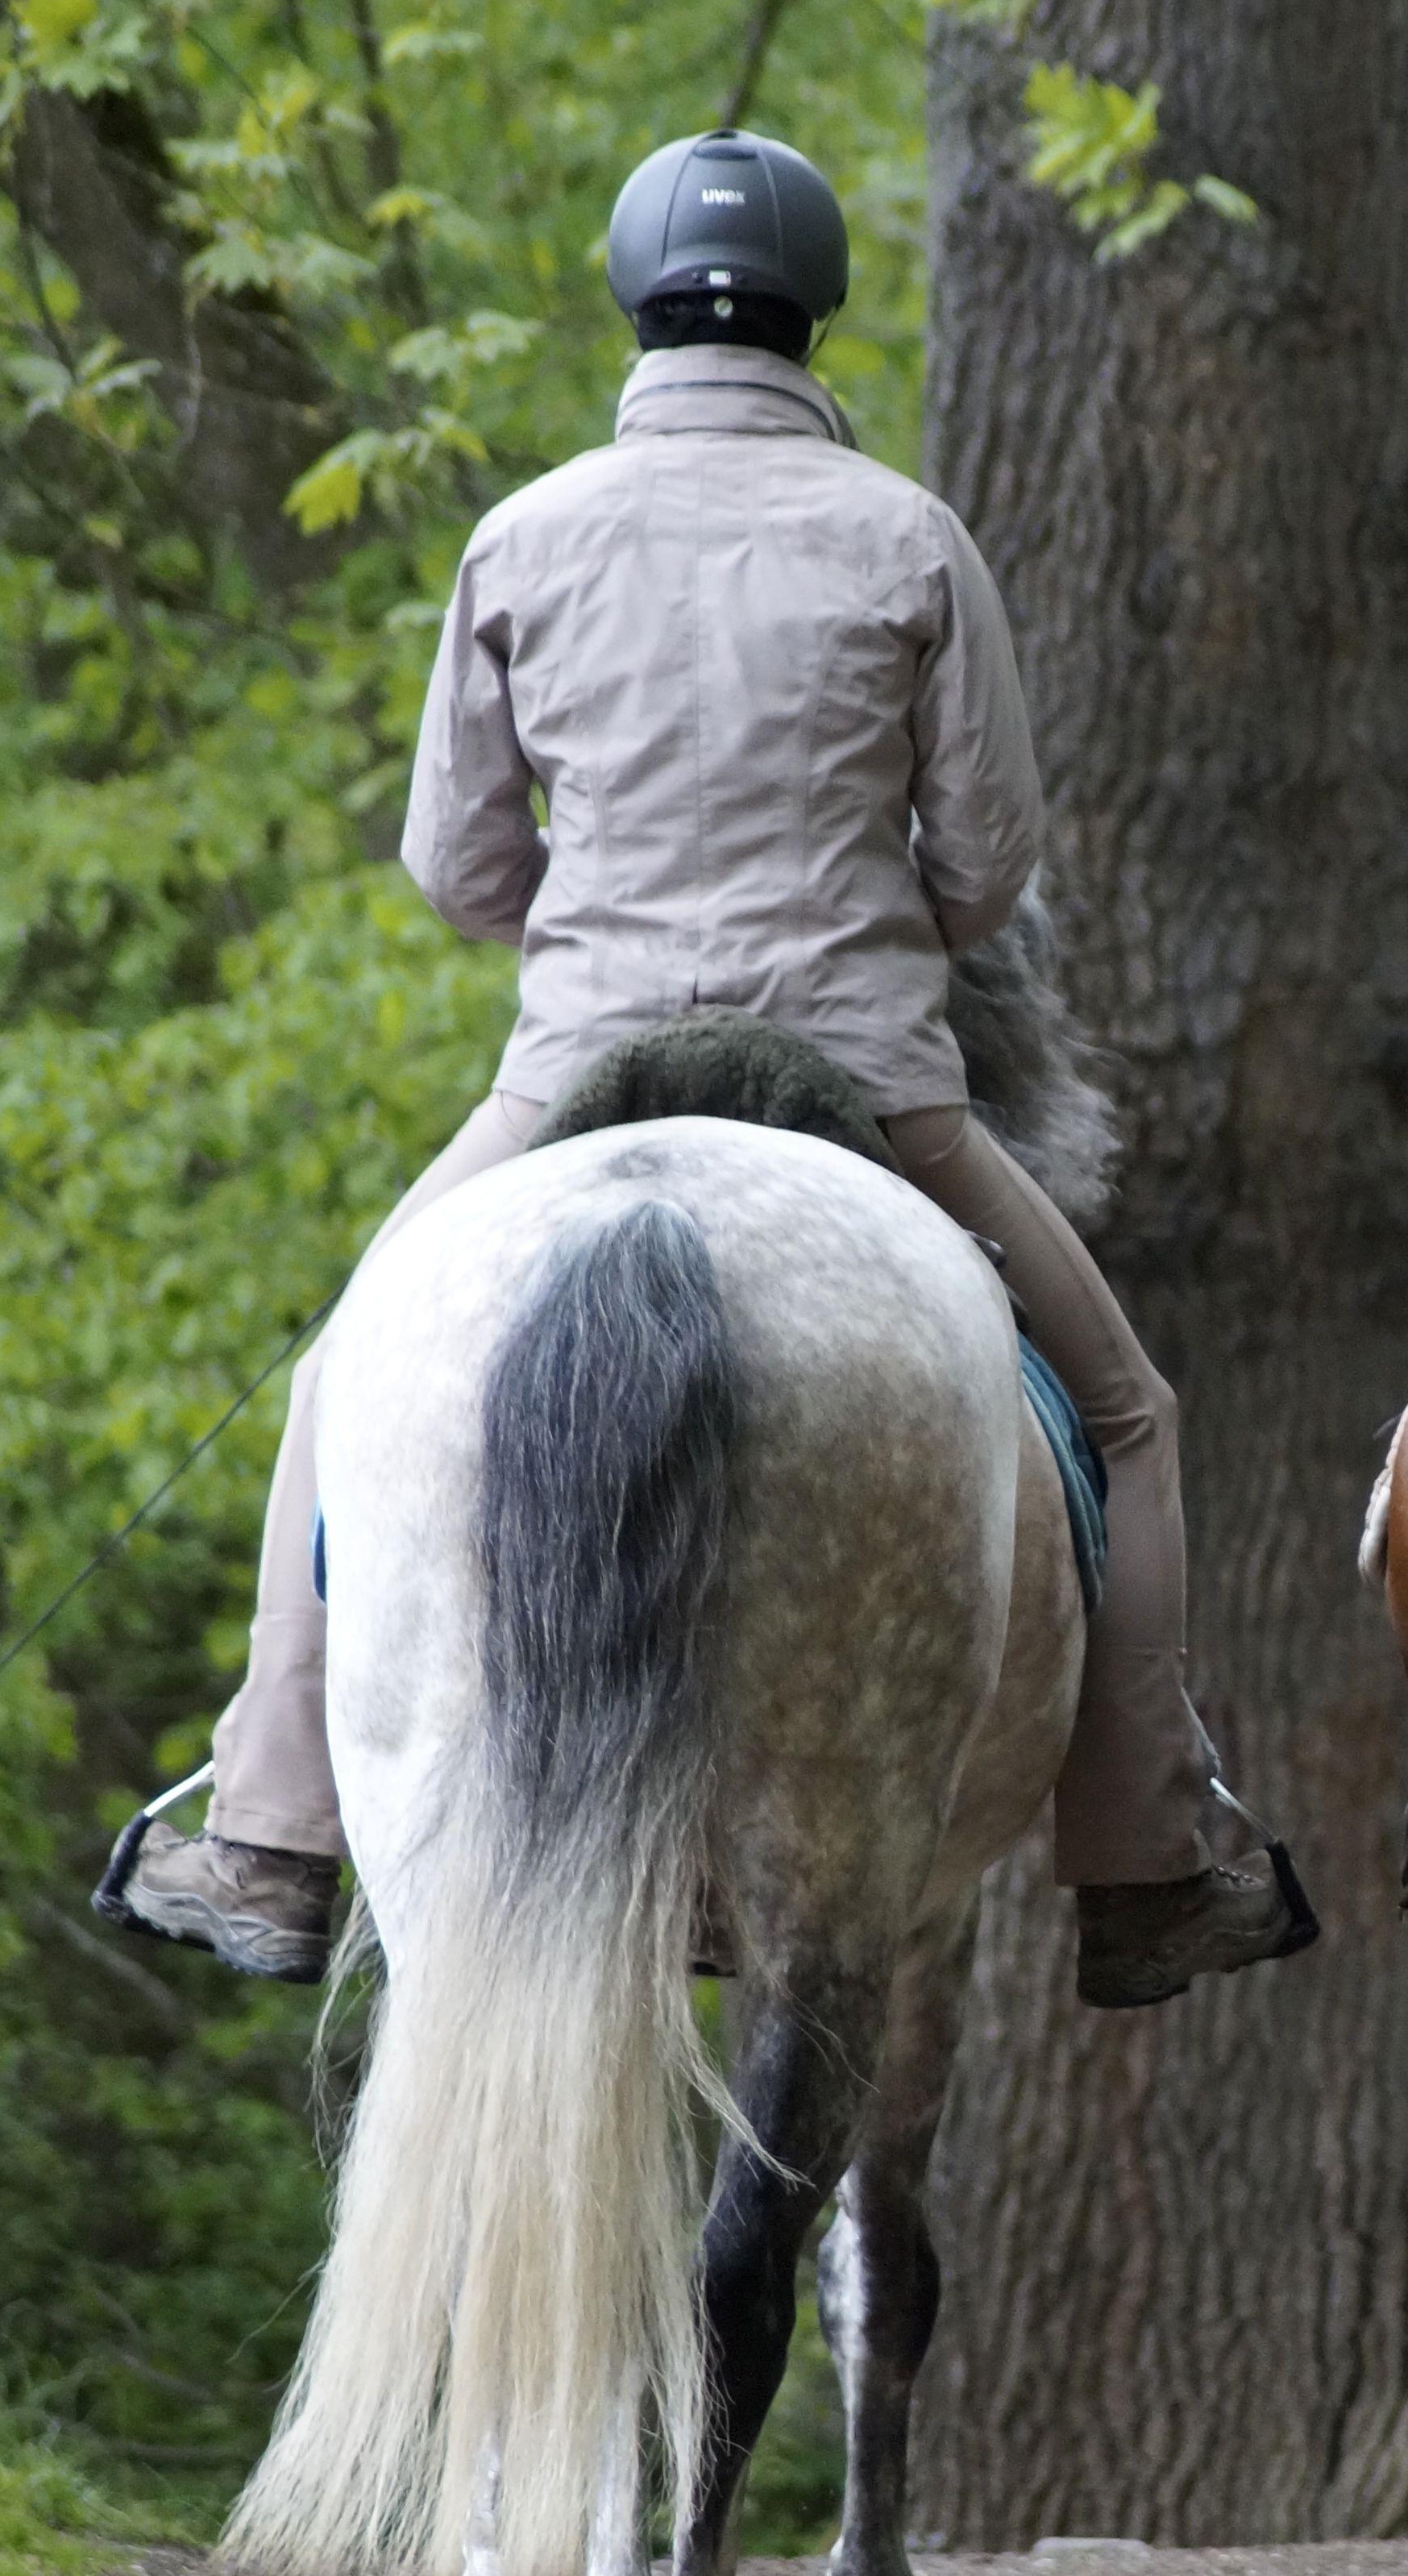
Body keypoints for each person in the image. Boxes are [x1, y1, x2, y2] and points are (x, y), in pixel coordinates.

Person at [99, 128, 1315, 2015]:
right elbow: (988, 873)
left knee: (348, 1365)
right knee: (1131, 1414)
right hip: (874, 1090)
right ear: (814, 309)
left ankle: (264, 1827)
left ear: (632, 298)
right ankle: (1148, 1846)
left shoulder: (523, 533)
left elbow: (457, 871)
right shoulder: (912, 536)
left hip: (577, 1076)